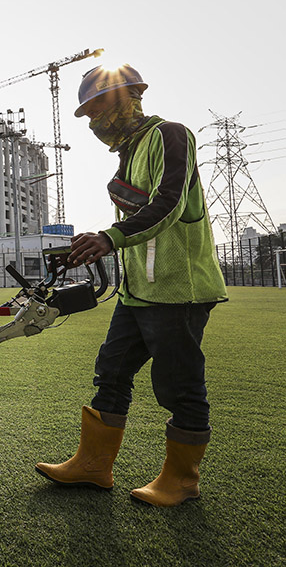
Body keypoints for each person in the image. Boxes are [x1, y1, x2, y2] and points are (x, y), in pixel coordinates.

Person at [35, 64, 227, 506]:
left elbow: (170, 203)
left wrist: (108, 238)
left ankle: (182, 481)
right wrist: (98, 243)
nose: (93, 121)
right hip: (138, 291)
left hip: (179, 289)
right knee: (112, 370)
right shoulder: (128, 152)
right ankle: (93, 466)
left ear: (130, 95)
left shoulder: (170, 135)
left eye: (98, 106)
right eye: (86, 114)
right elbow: (135, 218)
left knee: (180, 385)